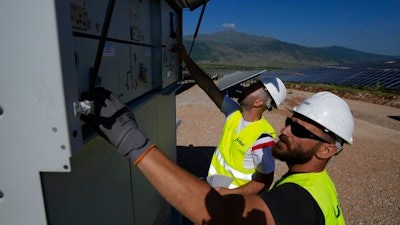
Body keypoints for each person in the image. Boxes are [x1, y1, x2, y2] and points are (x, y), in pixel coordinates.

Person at [81, 88, 354, 225]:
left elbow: (221, 217)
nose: (284, 131)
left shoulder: (298, 199)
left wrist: (133, 142)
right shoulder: (319, 186)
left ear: (327, 149)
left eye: (298, 129)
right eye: (289, 121)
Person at [172, 44, 287, 194]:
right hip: (215, 189)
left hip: (233, 202)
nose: (245, 88)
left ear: (259, 102)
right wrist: (186, 59)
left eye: (251, 88)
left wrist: (229, 193)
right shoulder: (234, 112)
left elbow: (264, 182)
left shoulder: (262, 140)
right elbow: (208, 86)